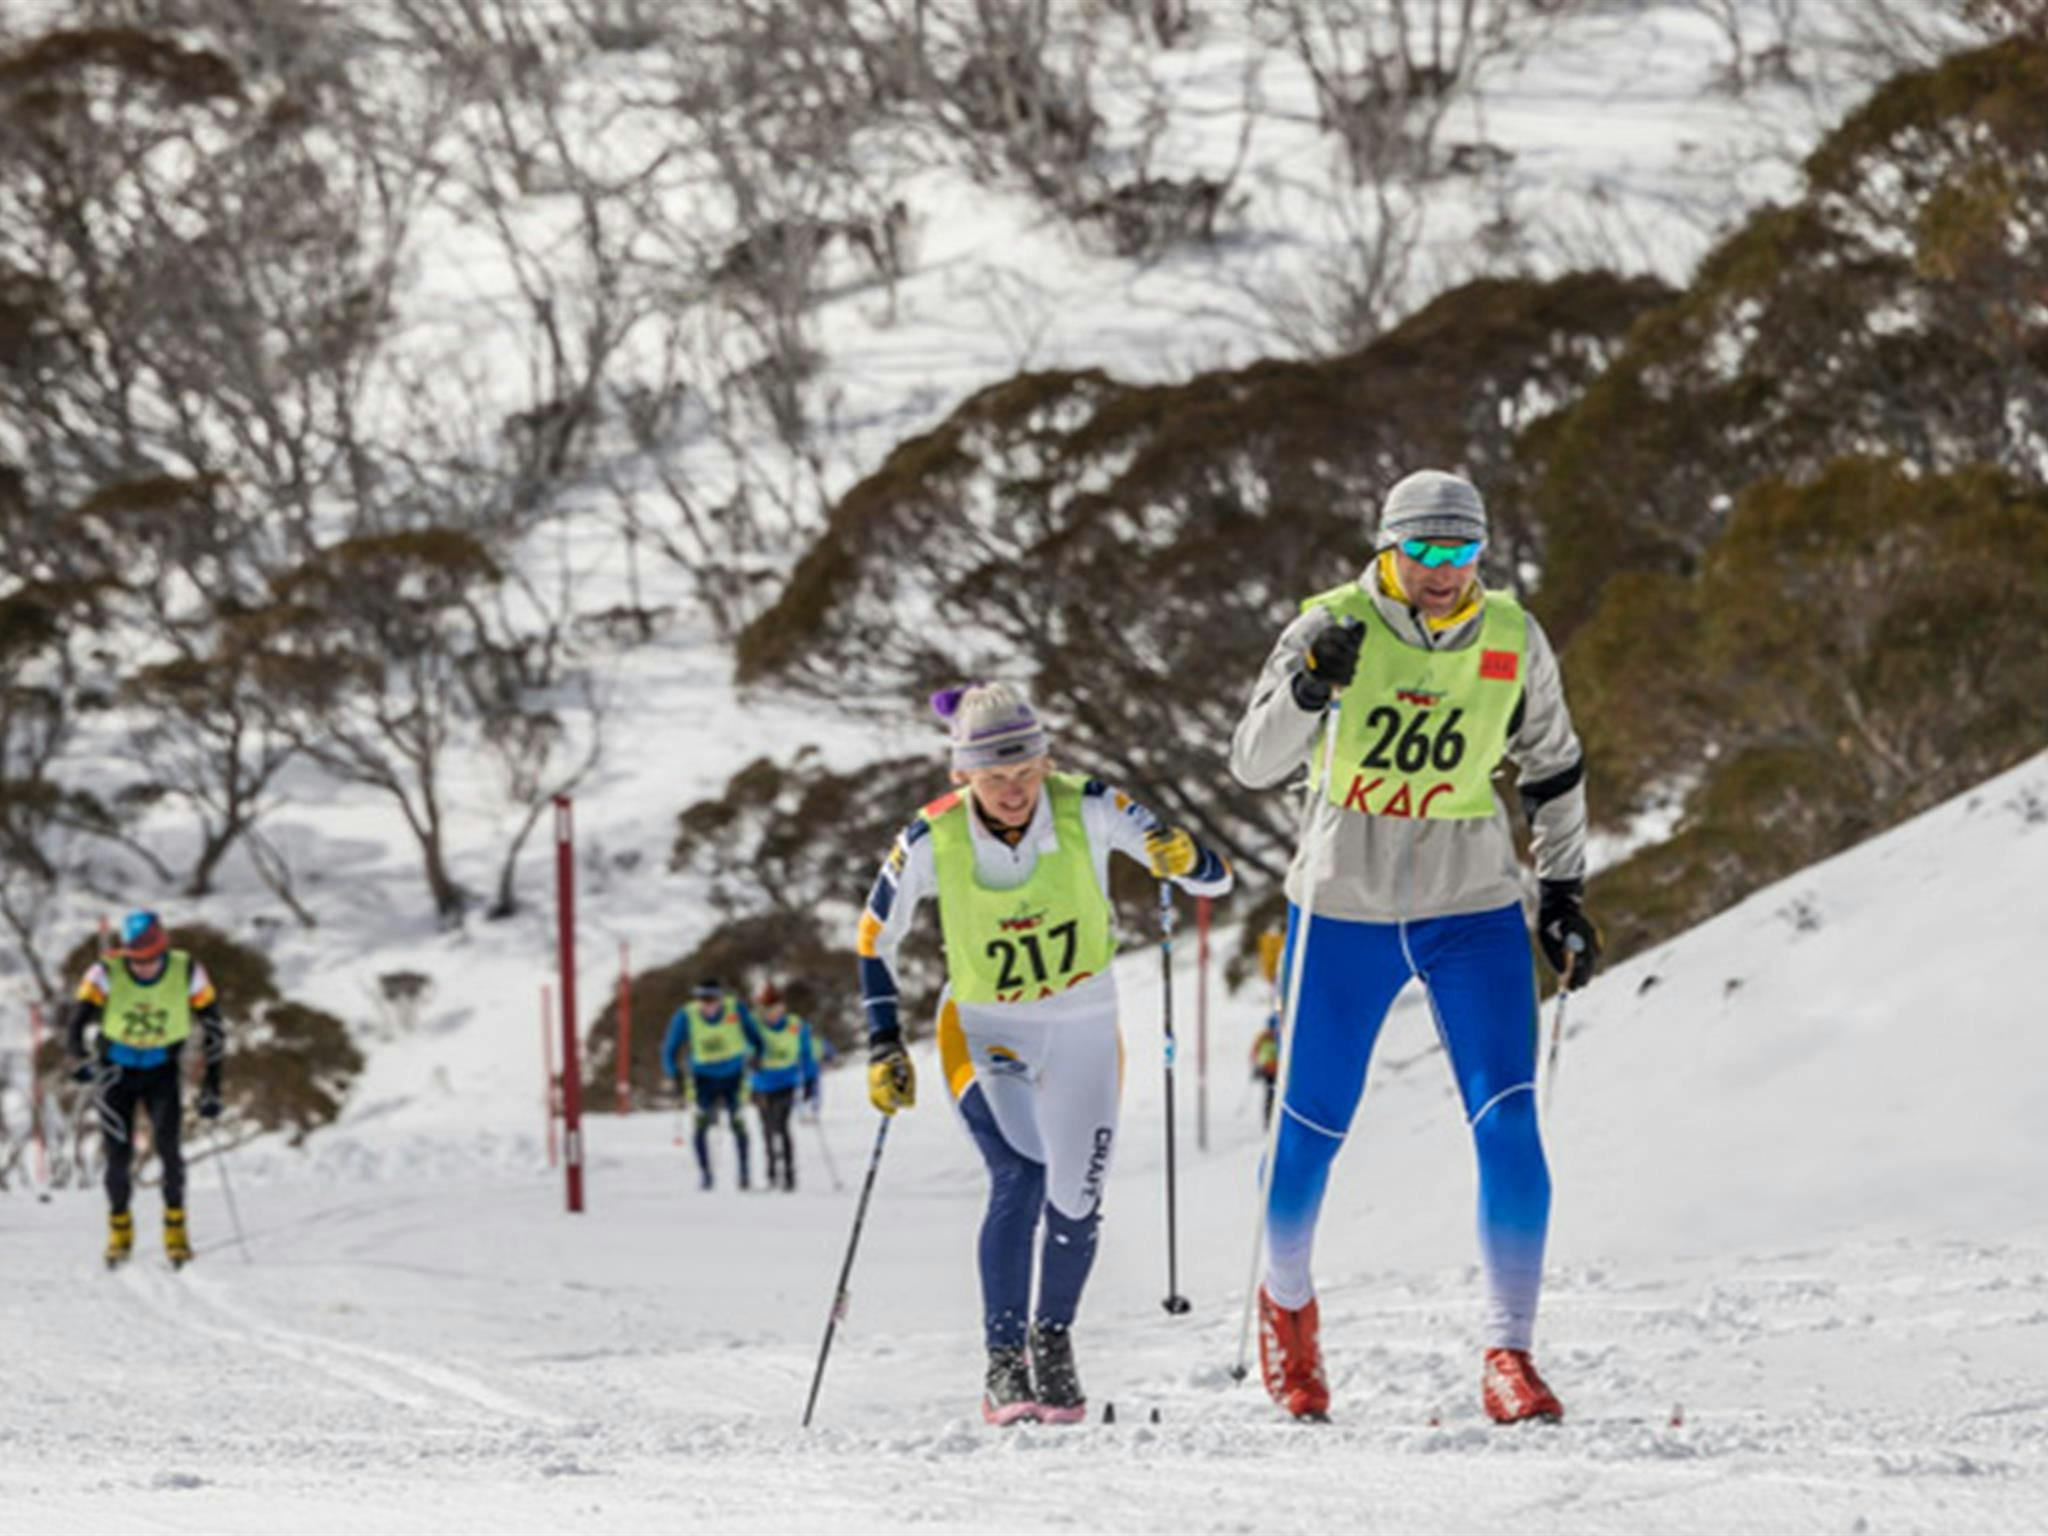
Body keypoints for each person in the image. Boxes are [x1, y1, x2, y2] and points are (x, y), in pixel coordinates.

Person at [1230, 469, 1602, 1426]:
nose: (1444, 572)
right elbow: (1254, 762)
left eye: (1462, 550)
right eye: (1425, 551)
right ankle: (1288, 1307)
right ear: (1389, 548)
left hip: (1468, 901)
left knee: (1509, 1117)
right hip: (1342, 901)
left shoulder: (1512, 635)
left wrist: (1562, 889)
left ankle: (1510, 1353)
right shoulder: (1329, 620)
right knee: (1310, 1129)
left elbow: (1553, 766)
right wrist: (1311, 684)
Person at [858, 682, 1234, 1426]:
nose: (1013, 791)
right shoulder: (931, 837)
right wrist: (882, 1040)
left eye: (1026, 772)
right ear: (960, 775)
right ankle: (1003, 1361)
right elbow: (876, 937)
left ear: (1047, 760)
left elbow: (1213, 879)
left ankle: (1051, 1342)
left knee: (1078, 1197)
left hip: (1083, 1023)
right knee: (1020, 1172)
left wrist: (1183, 855)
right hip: (985, 1026)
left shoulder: (1092, 805)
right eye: (993, 777)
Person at [64, 910, 226, 1268]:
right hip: (115, 1073)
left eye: (152, 959)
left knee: (170, 1150)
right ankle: (120, 1230)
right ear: (126, 954)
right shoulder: (104, 972)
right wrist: (79, 1061)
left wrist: (212, 1087)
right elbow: (75, 1026)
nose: (145, 968)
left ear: (163, 948)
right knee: (118, 1156)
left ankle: (176, 1229)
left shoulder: (187, 970)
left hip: (161, 1071)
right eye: (136, 961)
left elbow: (214, 1030)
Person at [662, 980, 765, 1191]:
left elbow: (756, 1036)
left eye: (712, 1000)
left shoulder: (735, 1009)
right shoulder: (686, 1016)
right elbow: (670, 1047)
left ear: (720, 999)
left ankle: (744, 1174)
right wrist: (675, 1075)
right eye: (703, 1000)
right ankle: (706, 1175)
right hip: (703, 1078)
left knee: (738, 1123)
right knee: (701, 1124)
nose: (708, 1006)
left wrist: (758, 1057)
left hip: (734, 1076)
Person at [749, 984, 819, 1192]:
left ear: (783, 1007)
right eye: (766, 1008)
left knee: (782, 1126)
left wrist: (809, 1081)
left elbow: (807, 1055)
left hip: (786, 1084)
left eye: (775, 1008)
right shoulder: (754, 1025)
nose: (771, 1013)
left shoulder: (796, 1026)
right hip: (761, 1086)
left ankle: (789, 1176)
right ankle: (771, 1175)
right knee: (767, 1129)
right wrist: (750, 1060)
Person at [1250, 1013, 1280, 1127]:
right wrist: (1257, 1067)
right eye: (1272, 1028)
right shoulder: (1263, 1038)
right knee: (1270, 1096)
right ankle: (1269, 1121)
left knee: (1277, 1096)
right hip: (1268, 1072)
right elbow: (1255, 1053)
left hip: (1280, 1073)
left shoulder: (1281, 1037)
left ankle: (1275, 1121)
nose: (1273, 1031)